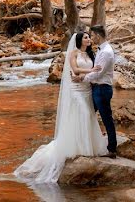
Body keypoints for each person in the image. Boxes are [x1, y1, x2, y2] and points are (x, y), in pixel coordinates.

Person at [14, 31, 108, 183]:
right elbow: (75, 70)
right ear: (79, 40)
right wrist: (90, 70)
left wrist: (92, 74)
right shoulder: (73, 53)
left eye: (89, 37)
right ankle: (81, 149)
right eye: (85, 37)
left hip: (87, 89)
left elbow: (94, 71)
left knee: (89, 115)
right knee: (83, 113)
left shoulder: (91, 54)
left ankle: (89, 145)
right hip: (76, 90)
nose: (89, 39)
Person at [74, 24, 117, 158]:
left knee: (107, 119)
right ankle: (84, 143)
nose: (91, 38)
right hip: (97, 89)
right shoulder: (101, 50)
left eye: (92, 35)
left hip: (102, 89)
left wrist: (82, 78)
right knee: (87, 115)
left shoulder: (106, 52)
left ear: (98, 35)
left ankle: (112, 149)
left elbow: (97, 74)